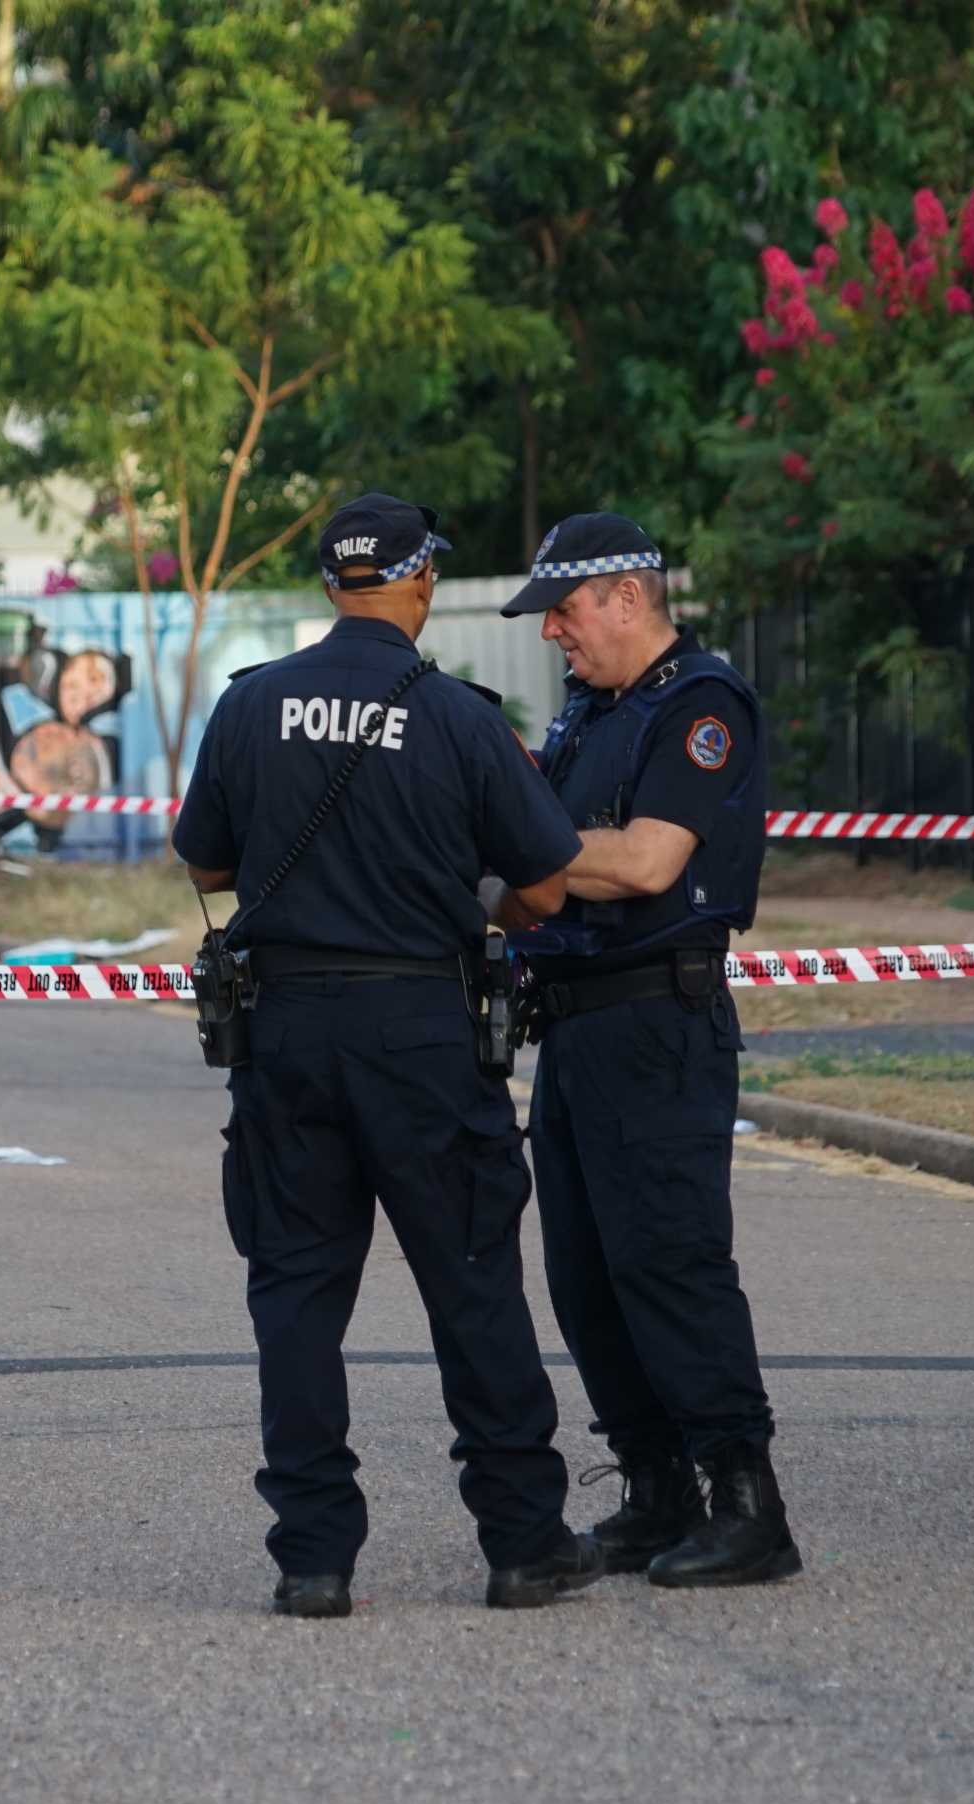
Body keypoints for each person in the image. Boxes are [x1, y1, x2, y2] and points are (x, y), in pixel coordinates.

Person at [172, 493, 593, 1618]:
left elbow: (207, 863)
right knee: (471, 1284)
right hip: (421, 1034)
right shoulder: (459, 717)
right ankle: (523, 1541)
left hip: (289, 1033)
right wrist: (457, 880)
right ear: (416, 582)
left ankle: (313, 1556)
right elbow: (547, 888)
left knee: (297, 1294)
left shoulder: (252, 705)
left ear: (329, 587)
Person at [495, 511, 801, 1587]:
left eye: (564, 612)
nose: (552, 636)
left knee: (669, 1259)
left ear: (628, 595)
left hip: (657, 1022)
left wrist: (521, 854)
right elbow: (529, 864)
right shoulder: (587, 718)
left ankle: (746, 1502)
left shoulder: (700, 706)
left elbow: (643, 862)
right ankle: (654, 1485)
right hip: (577, 1023)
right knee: (584, 1273)